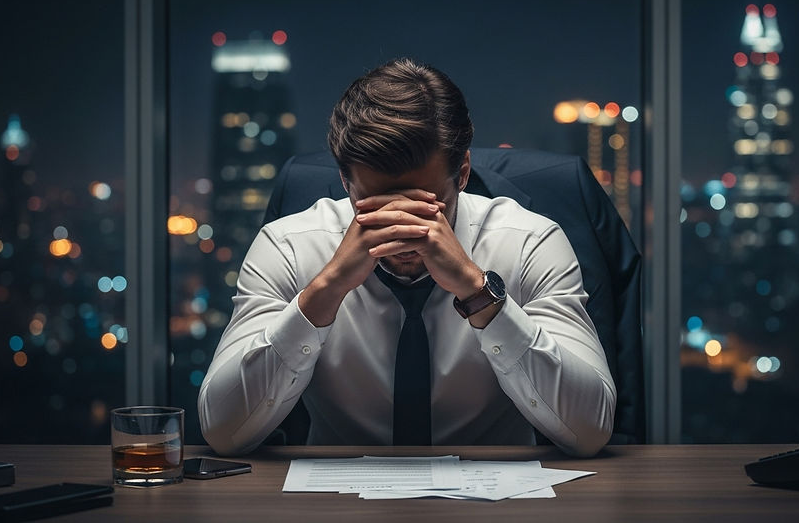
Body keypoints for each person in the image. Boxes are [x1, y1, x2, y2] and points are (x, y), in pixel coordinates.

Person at [198, 58, 616, 457]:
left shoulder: (529, 242)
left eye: (425, 206)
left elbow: (589, 431)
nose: (403, 232)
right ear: (345, 181)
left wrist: (478, 292)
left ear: (464, 174)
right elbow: (224, 432)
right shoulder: (289, 246)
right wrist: (324, 291)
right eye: (377, 207)